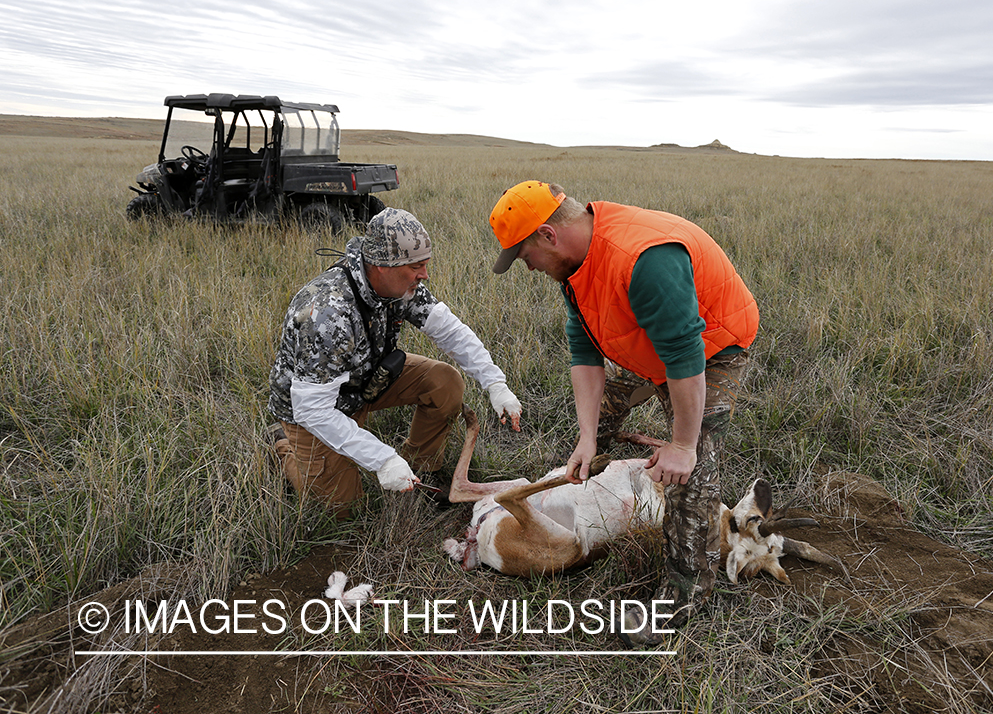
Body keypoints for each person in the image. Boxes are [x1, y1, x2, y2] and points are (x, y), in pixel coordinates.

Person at [489, 180, 758, 647]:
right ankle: (594, 468)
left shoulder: (644, 260)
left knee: (691, 475)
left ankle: (684, 595)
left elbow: (685, 357)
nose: (528, 267)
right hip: (653, 344)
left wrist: (682, 445)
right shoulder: (575, 266)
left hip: (712, 348)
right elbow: (584, 353)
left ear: (549, 235)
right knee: (608, 407)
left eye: (525, 255)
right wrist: (588, 437)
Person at [267, 207, 522, 519]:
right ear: (381, 267)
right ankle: (283, 446)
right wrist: (382, 459)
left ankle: (419, 470)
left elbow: (450, 330)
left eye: (425, 265)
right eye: (416, 267)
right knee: (343, 512)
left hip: (368, 378)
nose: (424, 275)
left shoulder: (401, 286)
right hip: (314, 410)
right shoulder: (325, 312)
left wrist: (496, 384)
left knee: (444, 382)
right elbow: (312, 410)